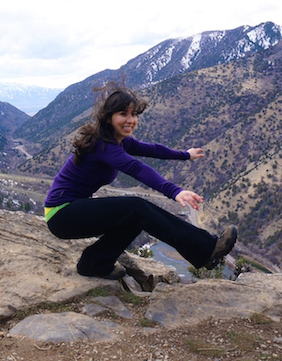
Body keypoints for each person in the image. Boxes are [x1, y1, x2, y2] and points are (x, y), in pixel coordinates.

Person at [44, 84, 237, 279]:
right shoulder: (102, 145)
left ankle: (95, 262)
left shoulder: (118, 140)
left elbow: (153, 150)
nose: (130, 120)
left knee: (135, 217)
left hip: (68, 211)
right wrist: (174, 191)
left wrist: (185, 155)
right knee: (137, 207)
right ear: (109, 117)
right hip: (62, 214)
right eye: (123, 114)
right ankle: (207, 248)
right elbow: (137, 169)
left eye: (134, 114)